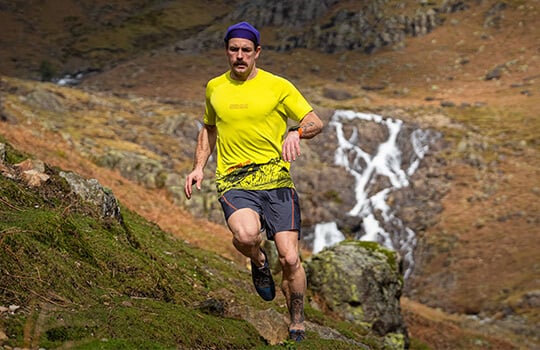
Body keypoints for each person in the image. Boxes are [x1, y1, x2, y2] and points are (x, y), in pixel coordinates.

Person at [184, 21, 323, 342]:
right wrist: (198, 167)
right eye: (234, 50)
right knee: (246, 236)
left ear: (257, 52)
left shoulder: (278, 86)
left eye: (246, 50)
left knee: (290, 258)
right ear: (227, 52)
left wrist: (296, 131)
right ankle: (259, 261)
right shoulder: (214, 87)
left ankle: (297, 322)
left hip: (276, 181)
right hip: (234, 179)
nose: (240, 56)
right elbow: (209, 128)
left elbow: (315, 121)